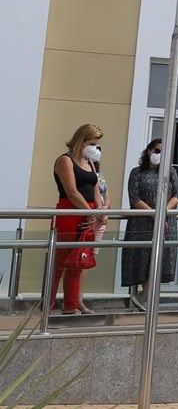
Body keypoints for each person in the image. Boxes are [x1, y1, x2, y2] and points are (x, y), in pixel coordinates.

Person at [49, 124, 107, 314]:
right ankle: (47, 304)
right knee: (61, 260)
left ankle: (71, 305)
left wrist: (97, 212)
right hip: (70, 212)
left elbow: (96, 189)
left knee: (78, 261)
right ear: (81, 141)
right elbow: (72, 192)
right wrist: (88, 211)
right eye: (92, 143)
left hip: (88, 213)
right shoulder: (65, 160)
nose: (95, 148)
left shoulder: (89, 163)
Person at [123, 138, 178, 309]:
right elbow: (135, 198)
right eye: (156, 150)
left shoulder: (170, 172)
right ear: (149, 151)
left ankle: (142, 298)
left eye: (163, 152)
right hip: (141, 222)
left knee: (159, 260)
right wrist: (154, 214)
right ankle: (140, 299)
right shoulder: (136, 172)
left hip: (165, 222)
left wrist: (162, 213)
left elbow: (177, 195)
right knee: (141, 260)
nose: (159, 155)